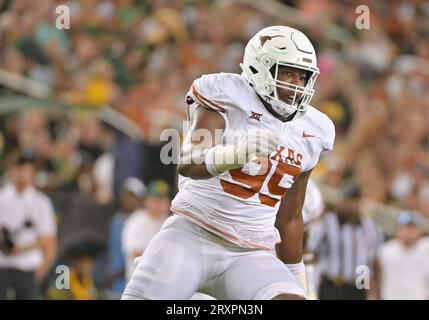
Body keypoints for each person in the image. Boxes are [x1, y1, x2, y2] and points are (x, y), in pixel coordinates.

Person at [122, 25, 335, 300]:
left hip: (252, 254)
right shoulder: (226, 94)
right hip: (193, 234)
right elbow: (188, 162)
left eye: (302, 76)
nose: (295, 83)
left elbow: (290, 216)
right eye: (287, 72)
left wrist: (298, 278)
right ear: (261, 68)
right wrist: (236, 154)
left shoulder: (314, 129)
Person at [307, 184, 381, 300]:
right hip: (333, 286)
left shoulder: (368, 226)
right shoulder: (327, 222)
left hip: (359, 287)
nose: (350, 205)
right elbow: (311, 251)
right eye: (348, 200)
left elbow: (373, 260)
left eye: (354, 201)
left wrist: (376, 291)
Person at [0, 153, 57, 299]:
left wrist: (39, 272)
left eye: (26, 169)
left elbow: (49, 241)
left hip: (27, 268)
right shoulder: (2, 198)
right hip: (3, 266)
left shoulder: (41, 202)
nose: (22, 174)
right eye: (19, 169)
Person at [122, 179, 170, 281]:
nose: (158, 203)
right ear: (147, 200)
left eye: (162, 199)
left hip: (164, 282)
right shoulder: (136, 220)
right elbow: (136, 253)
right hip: (139, 281)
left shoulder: (171, 221)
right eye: (155, 199)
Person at [378, 211, 429, 300]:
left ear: (420, 231)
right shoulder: (386, 251)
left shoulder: (425, 249)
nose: (408, 231)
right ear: (397, 230)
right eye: (405, 227)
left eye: (412, 227)